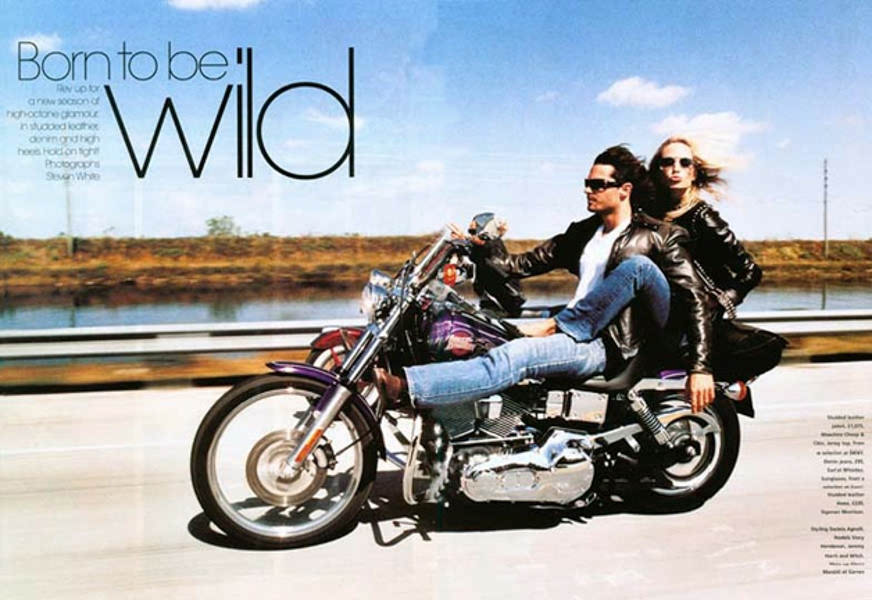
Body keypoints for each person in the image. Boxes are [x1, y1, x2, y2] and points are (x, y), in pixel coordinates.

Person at [375, 145, 716, 413]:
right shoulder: (582, 233)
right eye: (587, 184)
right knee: (479, 330)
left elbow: (695, 298)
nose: (589, 190)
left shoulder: (658, 236)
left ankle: (406, 388)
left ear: (624, 190)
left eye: (598, 185)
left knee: (516, 355)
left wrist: (700, 367)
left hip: (610, 344)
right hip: (577, 331)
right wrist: (480, 245)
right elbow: (517, 265)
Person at [648, 136, 784, 384]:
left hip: (696, 317)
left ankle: (713, 382)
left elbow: (750, 271)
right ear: (658, 169)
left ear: (693, 172)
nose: (676, 169)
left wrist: (719, 301)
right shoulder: (649, 214)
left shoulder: (703, 217)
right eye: (667, 162)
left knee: (768, 348)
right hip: (662, 313)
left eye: (684, 163)